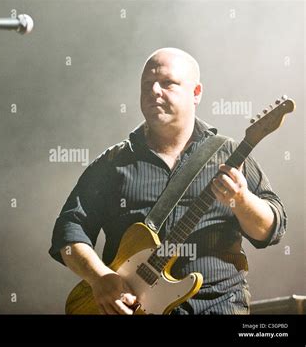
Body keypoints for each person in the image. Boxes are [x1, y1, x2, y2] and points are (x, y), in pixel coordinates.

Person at [49, 47, 287, 315]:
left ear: (196, 93)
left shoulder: (230, 155)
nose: (154, 92)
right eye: (147, 85)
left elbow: (272, 230)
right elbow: (67, 233)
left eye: (168, 83)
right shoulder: (113, 163)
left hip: (217, 306)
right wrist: (98, 277)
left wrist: (242, 201)